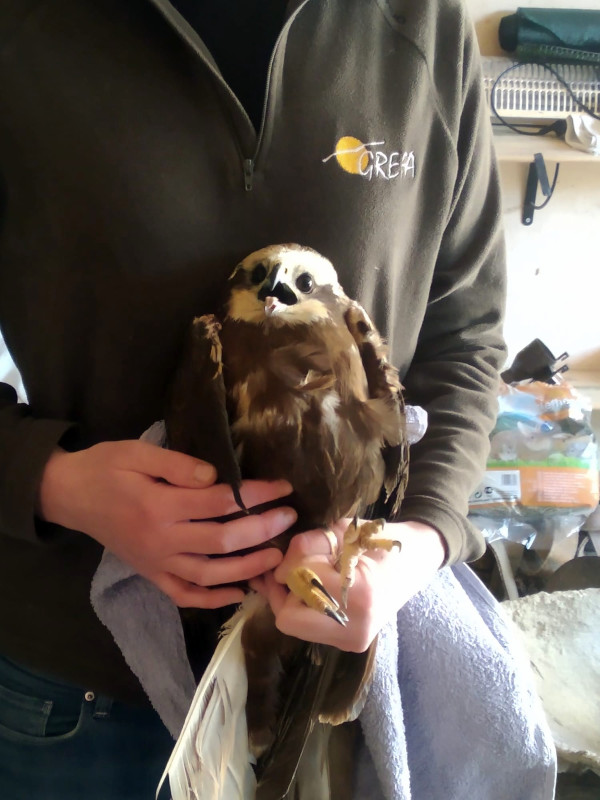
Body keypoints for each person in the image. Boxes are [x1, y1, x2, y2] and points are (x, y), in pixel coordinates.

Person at [0, 1, 528, 797]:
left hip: (342, 656)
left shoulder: (420, 22)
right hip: (75, 689)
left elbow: (469, 334)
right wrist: (53, 480)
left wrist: (419, 541)